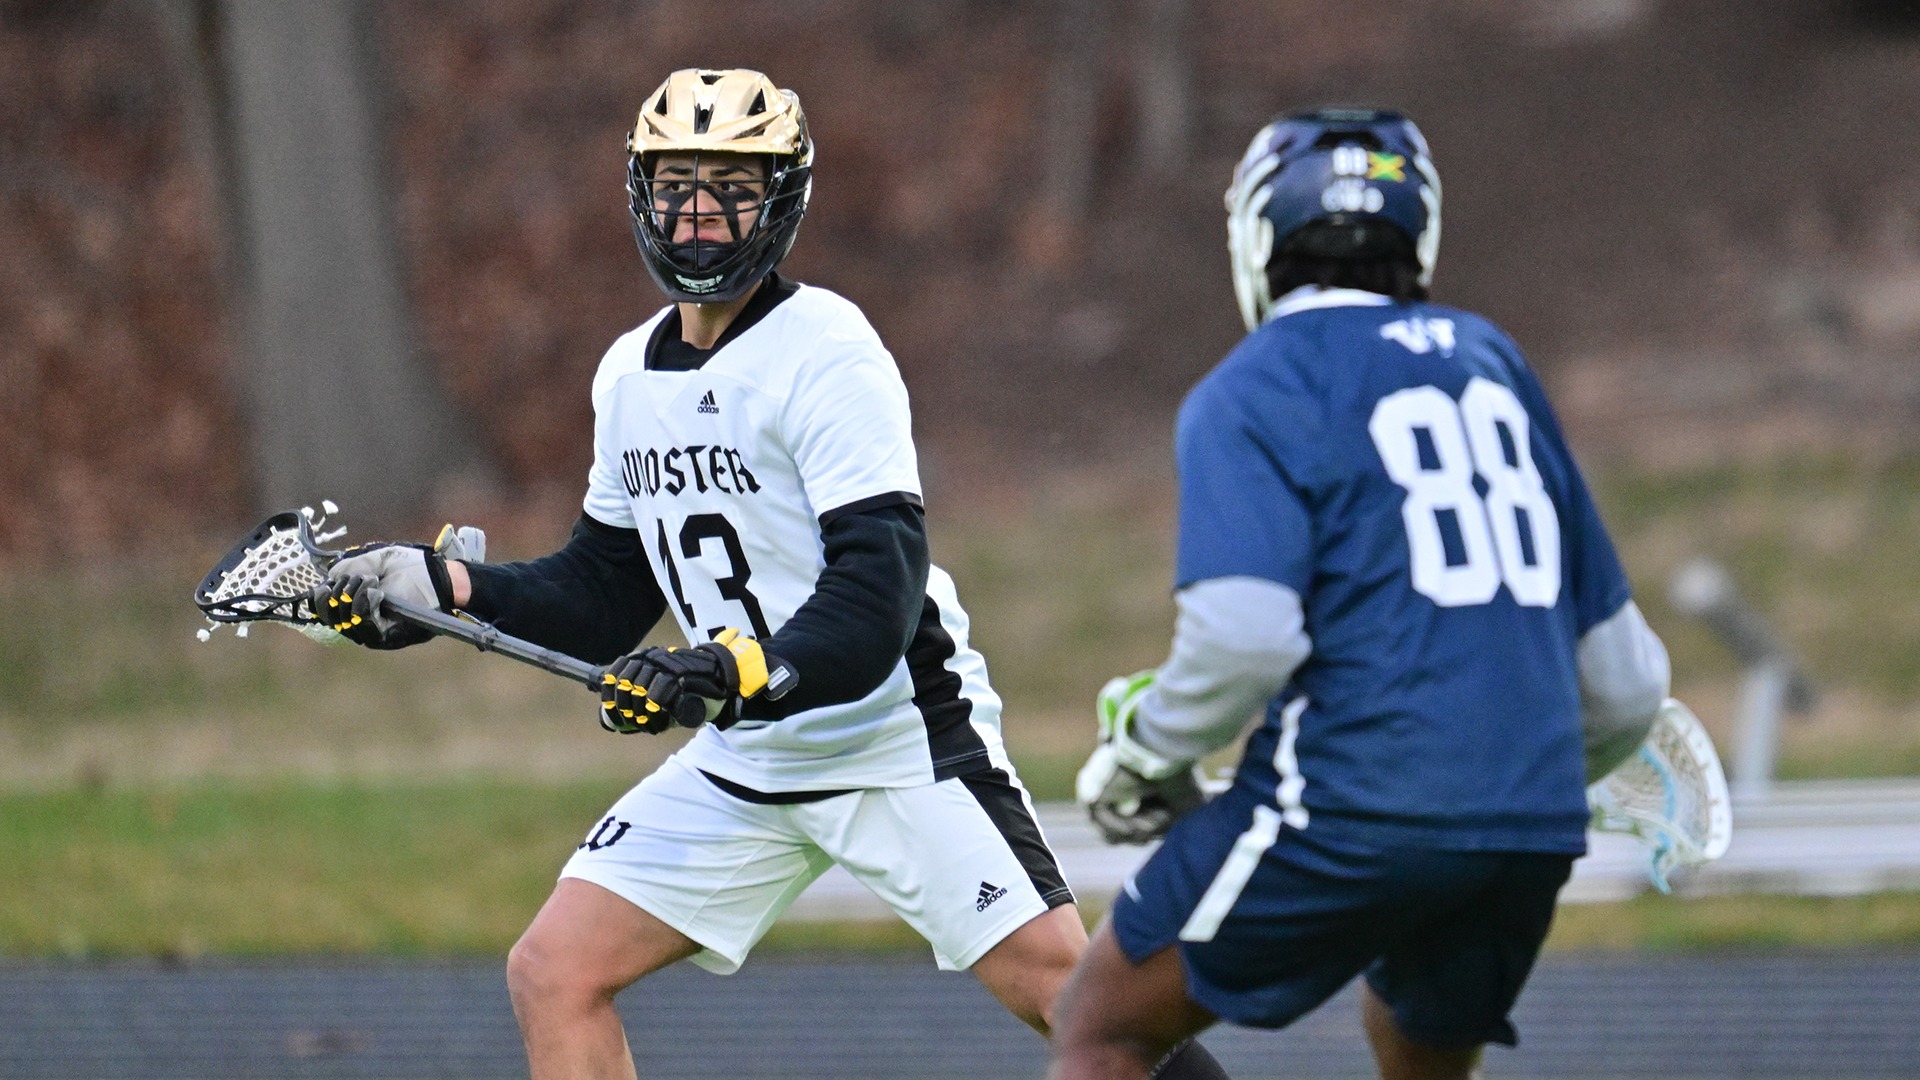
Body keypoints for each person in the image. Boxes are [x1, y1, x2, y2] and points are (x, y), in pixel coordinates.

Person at [313, 68, 1229, 1080]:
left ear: (782, 198)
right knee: (553, 972)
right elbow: (605, 590)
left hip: (892, 738)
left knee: (1077, 1005)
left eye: (732, 185)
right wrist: (446, 593)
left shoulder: (827, 351)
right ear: (640, 193)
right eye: (677, 184)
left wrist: (727, 671)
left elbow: (876, 595)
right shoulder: (628, 374)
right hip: (748, 758)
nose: (700, 212)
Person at [1050, 108, 1673, 1080]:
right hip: (1530, 822)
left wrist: (1145, 751)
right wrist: (1508, 786)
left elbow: (1242, 640)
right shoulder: (1494, 362)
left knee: (1101, 1025)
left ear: (1259, 237)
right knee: (1414, 1045)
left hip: (1350, 805)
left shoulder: (1254, 383)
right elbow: (1628, 683)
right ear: (1417, 228)